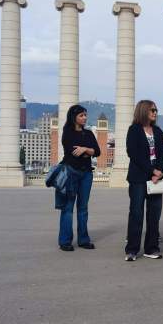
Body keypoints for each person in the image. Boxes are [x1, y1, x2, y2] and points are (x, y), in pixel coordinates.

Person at [124, 100, 163, 261]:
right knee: (136, 213)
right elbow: (133, 154)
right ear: (143, 111)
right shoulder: (134, 130)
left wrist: (159, 171)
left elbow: (162, 153)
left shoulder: (158, 131)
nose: (155, 113)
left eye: (156, 110)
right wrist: (151, 170)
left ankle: (151, 248)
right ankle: (132, 250)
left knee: (154, 214)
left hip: (156, 178)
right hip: (138, 178)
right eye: (152, 110)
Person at [57, 104, 100, 252]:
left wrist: (85, 149)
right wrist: (88, 151)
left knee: (83, 208)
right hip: (70, 173)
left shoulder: (88, 133)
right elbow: (71, 151)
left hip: (86, 174)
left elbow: (98, 151)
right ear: (74, 117)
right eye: (81, 115)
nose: (85, 118)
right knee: (68, 208)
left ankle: (83, 240)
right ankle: (65, 241)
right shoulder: (67, 132)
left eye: (85, 115)